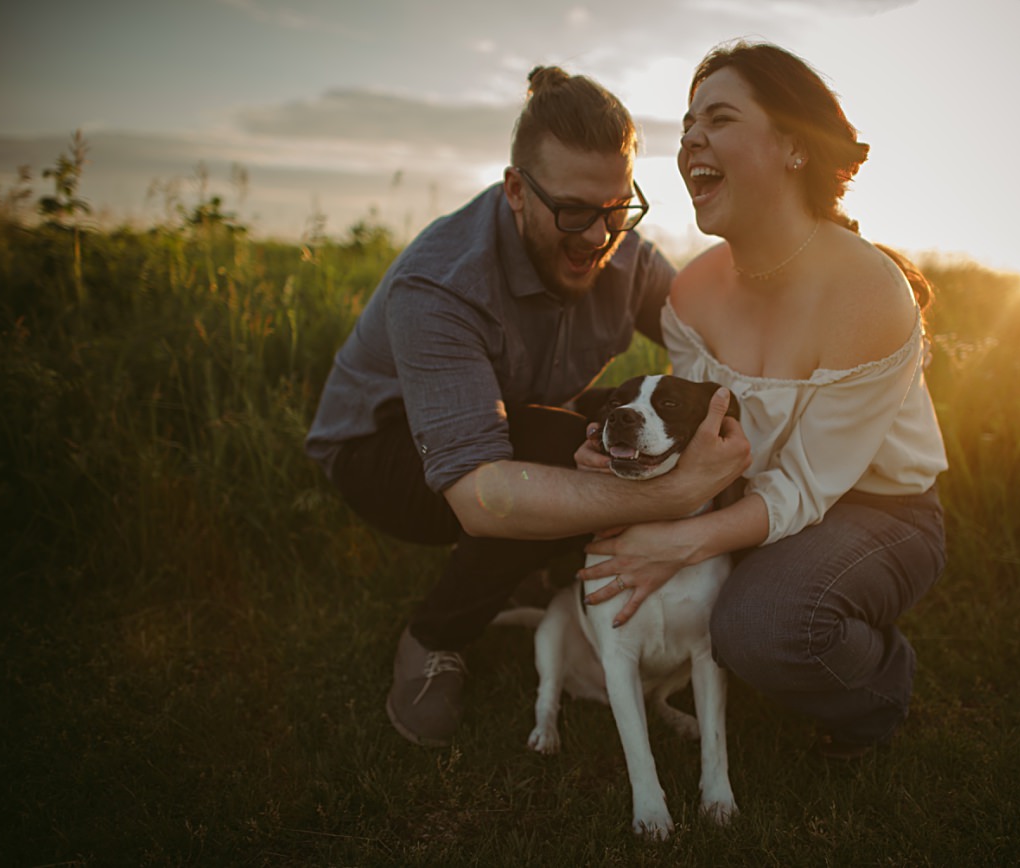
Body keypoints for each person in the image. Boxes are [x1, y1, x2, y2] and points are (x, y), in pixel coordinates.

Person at [305, 66, 750, 748]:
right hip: (381, 450)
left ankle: (531, 576)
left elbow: (718, 334)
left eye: (615, 209)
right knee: (556, 450)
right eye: (573, 212)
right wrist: (674, 495)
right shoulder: (442, 283)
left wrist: (829, 278)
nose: (597, 238)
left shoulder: (621, 251)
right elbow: (480, 496)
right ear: (516, 190)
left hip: (516, 425)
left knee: (581, 442)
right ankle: (433, 640)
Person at [577, 41, 948, 758]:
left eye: (718, 119)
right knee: (625, 559)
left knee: (756, 626)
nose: (691, 142)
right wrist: (622, 476)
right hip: (750, 496)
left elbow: (808, 485)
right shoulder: (691, 292)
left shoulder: (869, 293)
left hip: (880, 510)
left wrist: (681, 543)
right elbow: (698, 443)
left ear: (794, 148)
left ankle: (878, 690)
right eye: (687, 127)